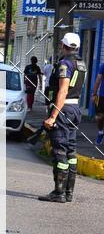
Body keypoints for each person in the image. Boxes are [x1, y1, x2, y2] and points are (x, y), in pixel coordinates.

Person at [39, 32, 86, 203]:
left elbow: (63, 90)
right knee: (71, 152)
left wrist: (53, 116)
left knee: (60, 151)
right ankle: (68, 193)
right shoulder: (81, 64)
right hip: (75, 109)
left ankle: (59, 193)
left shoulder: (65, 64)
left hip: (63, 109)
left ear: (63, 45)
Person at [91, 60, 104, 146]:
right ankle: (100, 132)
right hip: (102, 96)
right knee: (99, 117)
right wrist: (94, 93)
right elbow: (98, 79)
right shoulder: (103, 65)